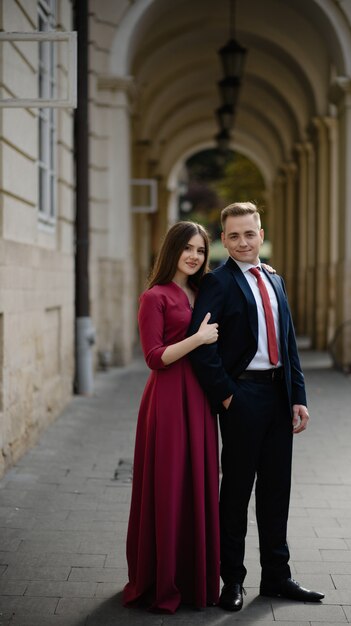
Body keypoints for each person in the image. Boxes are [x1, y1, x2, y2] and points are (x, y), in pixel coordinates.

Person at [189, 202, 324, 611]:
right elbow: (202, 348)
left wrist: (298, 396)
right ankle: (231, 580)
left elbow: (289, 343)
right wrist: (227, 395)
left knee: (275, 491)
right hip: (243, 396)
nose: (243, 242)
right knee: (235, 493)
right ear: (224, 239)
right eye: (233, 236)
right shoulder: (218, 282)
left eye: (249, 234)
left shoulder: (275, 279)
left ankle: (277, 578)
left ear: (261, 235)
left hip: (279, 397)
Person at [123, 221, 220, 614]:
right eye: (188, 248)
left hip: (199, 398)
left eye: (200, 250)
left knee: (198, 485)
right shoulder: (154, 297)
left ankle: (195, 581)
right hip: (166, 399)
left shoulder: (202, 291)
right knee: (168, 487)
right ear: (173, 250)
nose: (195, 256)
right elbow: (153, 357)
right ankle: (161, 583)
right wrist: (197, 339)